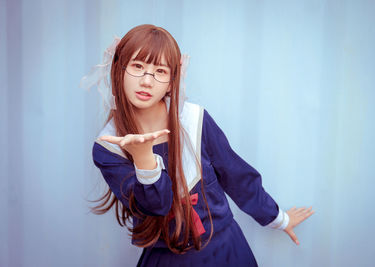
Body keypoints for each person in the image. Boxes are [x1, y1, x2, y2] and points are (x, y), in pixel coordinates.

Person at [83, 24, 314, 266]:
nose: (147, 81)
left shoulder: (194, 120)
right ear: (119, 70)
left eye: (160, 71)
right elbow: (156, 206)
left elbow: (236, 176)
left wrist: (279, 219)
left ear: (172, 82)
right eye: (138, 66)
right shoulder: (109, 147)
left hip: (225, 250)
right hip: (168, 258)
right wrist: (143, 159)